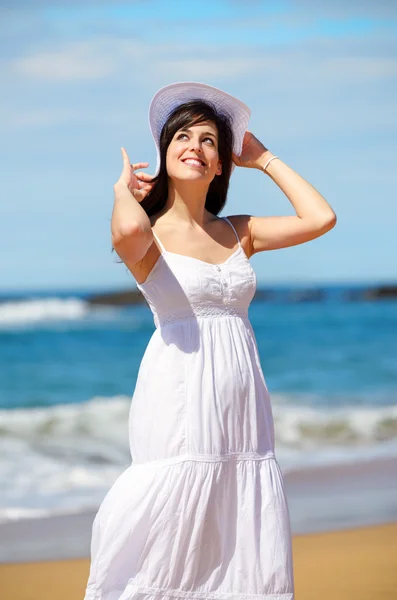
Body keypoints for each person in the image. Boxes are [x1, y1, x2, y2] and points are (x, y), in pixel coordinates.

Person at [83, 82, 336, 600]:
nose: (194, 146)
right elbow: (125, 233)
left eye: (208, 141)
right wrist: (120, 191)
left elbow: (320, 217)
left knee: (237, 539)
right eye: (181, 137)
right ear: (164, 152)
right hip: (179, 402)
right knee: (169, 530)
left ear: (221, 163)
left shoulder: (237, 232)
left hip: (242, 411)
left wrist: (264, 158)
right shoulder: (148, 232)